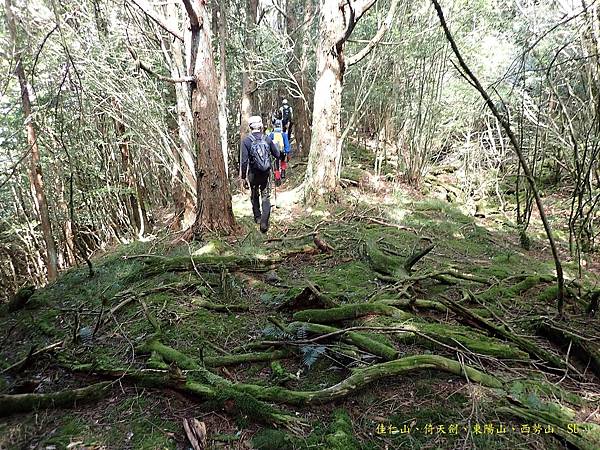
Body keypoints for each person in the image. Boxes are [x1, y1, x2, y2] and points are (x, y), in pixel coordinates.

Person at [240, 115, 280, 233]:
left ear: (250, 127)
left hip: (253, 174)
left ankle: (257, 217)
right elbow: (277, 154)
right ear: (261, 125)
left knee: (254, 194)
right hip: (266, 173)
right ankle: (264, 222)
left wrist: (243, 177)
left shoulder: (246, 141)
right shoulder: (267, 138)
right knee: (266, 196)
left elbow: (244, 161)